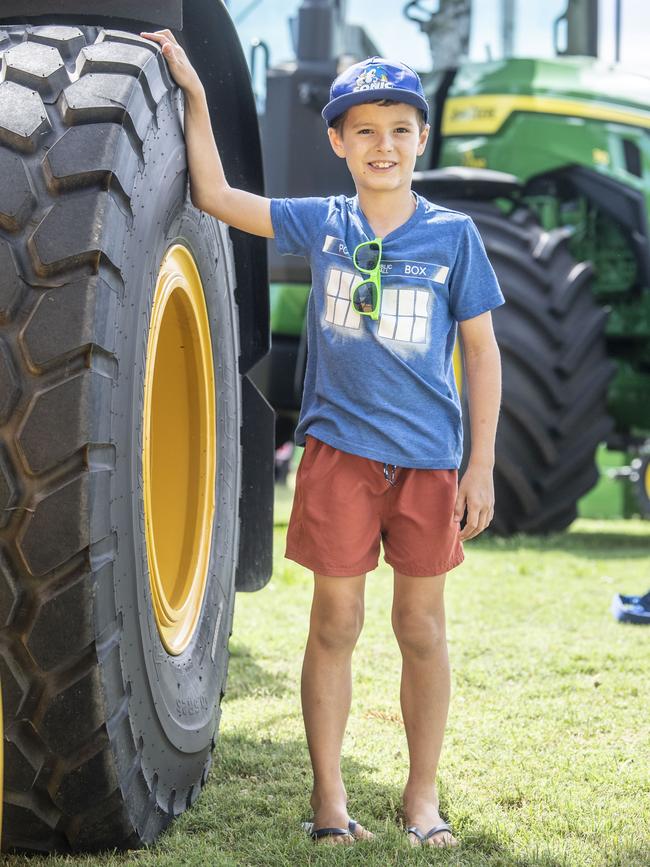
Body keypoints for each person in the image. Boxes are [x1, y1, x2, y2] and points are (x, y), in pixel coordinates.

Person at [140, 31, 504, 849]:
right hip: (338, 460)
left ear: (422, 140)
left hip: (429, 467)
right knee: (335, 623)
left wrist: (479, 465)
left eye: (400, 130)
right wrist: (198, 96)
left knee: (422, 628)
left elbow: (481, 353)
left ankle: (420, 800)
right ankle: (331, 801)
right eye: (365, 131)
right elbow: (216, 196)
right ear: (337, 142)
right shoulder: (323, 224)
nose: (385, 145)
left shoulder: (454, 240)